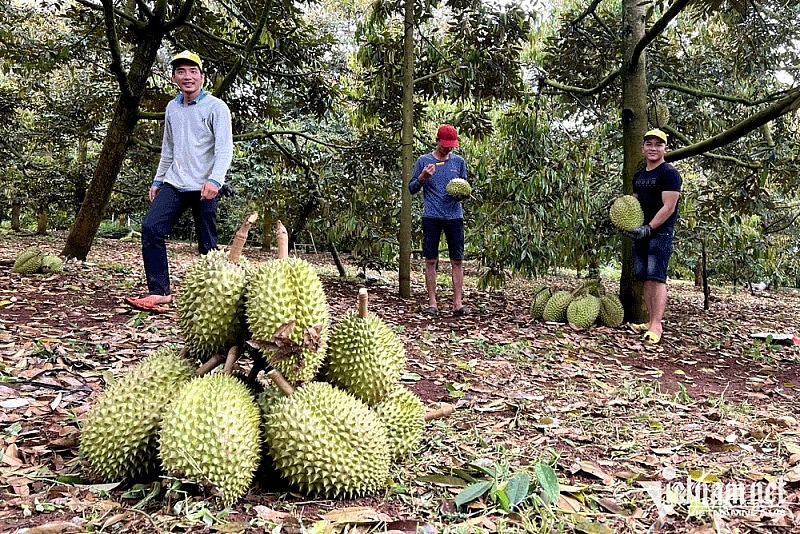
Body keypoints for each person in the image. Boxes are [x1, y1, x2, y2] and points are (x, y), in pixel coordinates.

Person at [125, 50, 234, 313]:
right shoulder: (172, 108)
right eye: (181, 72)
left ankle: (215, 298)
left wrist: (215, 181)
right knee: (151, 227)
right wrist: (157, 180)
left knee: (207, 244)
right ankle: (159, 292)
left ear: (202, 77)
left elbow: (224, 149)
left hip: (205, 185)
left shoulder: (216, 108)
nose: (187, 77)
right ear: (174, 77)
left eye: (192, 71)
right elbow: (169, 149)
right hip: (174, 182)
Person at [624, 128, 682, 344]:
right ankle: (649, 322)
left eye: (658, 144)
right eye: (649, 144)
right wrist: (628, 221)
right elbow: (634, 205)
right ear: (643, 148)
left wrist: (649, 228)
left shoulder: (669, 174)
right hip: (640, 232)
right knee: (645, 277)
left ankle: (657, 325)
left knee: (656, 277)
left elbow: (669, 207)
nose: (653, 148)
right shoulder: (639, 176)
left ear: (665, 148)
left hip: (661, 233)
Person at [409, 124, 470, 318]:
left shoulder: (459, 162)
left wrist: (461, 194)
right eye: (445, 145)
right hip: (432, 216)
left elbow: (465, 187)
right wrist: (422, 177)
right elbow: (412, 188)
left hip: (454, 216)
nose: (449, 149)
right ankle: (432, 303)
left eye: (451, 146)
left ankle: (458, 304)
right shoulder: (424, 161)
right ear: (438, 141)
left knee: (457, 260)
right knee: (431, 260)